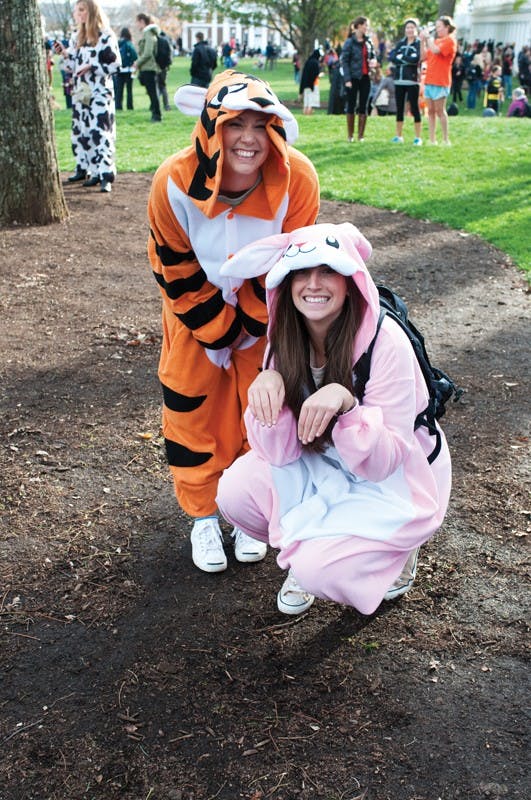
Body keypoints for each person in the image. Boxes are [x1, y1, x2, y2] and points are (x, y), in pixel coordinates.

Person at [216, 222, 451, 615]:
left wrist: (347, 404)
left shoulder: (384, 339)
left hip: (395, 474)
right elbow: (279, 452)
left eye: (327, 270)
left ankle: (397, 552)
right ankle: (308, 546)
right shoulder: (286, 333)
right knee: (235, 493)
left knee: (320, 573)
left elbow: (386, 459)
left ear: (350, 279)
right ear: (286, 283)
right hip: (324, 458)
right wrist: (267, 388)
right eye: (302, 273)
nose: (314, 284)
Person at [146, 69, 320, 574]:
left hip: (267, 312)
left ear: (276, 129)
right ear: (210, 127)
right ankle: (202, 516)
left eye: (261, 124)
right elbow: (172, 266)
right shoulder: (173, 182)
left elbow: (293, 262)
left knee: (262, 407)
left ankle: (248, 511)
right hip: (192, 313)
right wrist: (218, 327)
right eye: (235, 123)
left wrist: (248, 321)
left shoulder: (298, 179)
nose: (249, 138)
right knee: (191, 406)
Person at [53, 0, 120, 192]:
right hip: (81, 94)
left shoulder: (105, 36)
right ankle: (89, 170)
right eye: (77, 10)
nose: (78, 14)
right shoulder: (77, 37)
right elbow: (72, 66)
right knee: (82, 133)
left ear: (91, 12)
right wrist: (65, 54)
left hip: (100, 93)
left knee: (101, 133)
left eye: (81, 10)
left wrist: (93, 66)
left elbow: (115, 65)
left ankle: (106, 174)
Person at [340, 16, 378, 142]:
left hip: (366, 76)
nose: (367, 28)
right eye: (365, 25)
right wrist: (347, 79)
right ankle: (350, 135)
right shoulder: (349, 42)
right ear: (358, 26)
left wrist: (374, 61)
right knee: (351, 104)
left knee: (364, 105)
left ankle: (360, 136)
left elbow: (373, 56)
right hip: (353, 77)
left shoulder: (369, 42)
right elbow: (344, 61)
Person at [420, 16, 457, 145]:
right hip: (430, 80)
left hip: (441, 81)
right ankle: (432, 139)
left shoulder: (450, 41)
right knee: (430, 111)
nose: (437, 29)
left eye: (439, 26)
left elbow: (436, 51)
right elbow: (424, 56)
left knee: (440, 111)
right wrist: (422, 41)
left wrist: (428, 38)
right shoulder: (435, 40)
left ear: (447, 27)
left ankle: (446, 139)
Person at [390, 18, 423, 144]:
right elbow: (392, 57)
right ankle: (398, 136)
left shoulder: (419, 44)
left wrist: (402, 58)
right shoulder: (400, 43)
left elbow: (415, 60)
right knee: (399, 108)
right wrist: (405, 59)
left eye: (412, 27)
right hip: (399, 80)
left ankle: (418, 137)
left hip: (412, 80)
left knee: (414, 107)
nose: (409, 30)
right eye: (407, 27)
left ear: (416, 29)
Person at [134, 13, 162, 122]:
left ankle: (156, 115)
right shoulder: (148, 33)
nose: (136, 25)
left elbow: (148, 52)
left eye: (137, 22)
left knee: (153, 93)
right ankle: (155, 114)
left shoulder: (148, 33)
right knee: (152, 93)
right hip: (147, 68)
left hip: (149, 68)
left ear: (141, 21)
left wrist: (137, 63)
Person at [115, 27, 137, 111]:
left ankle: (118, 106)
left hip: (119, 70)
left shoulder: (118, 43)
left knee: (119, 90)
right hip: (128, 70)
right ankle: (129, 106)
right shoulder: (129, 44)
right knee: (129, 90)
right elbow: (134, 56)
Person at [299, 48, 322, 115]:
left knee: (306, 102)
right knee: (311, 103)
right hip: (313, 85)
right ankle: (309, 115)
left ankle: (304, 114)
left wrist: (301, 89)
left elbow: (304, 75)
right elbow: (315, 74)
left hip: (306, 85)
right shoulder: (315, 63)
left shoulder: (307, 62)